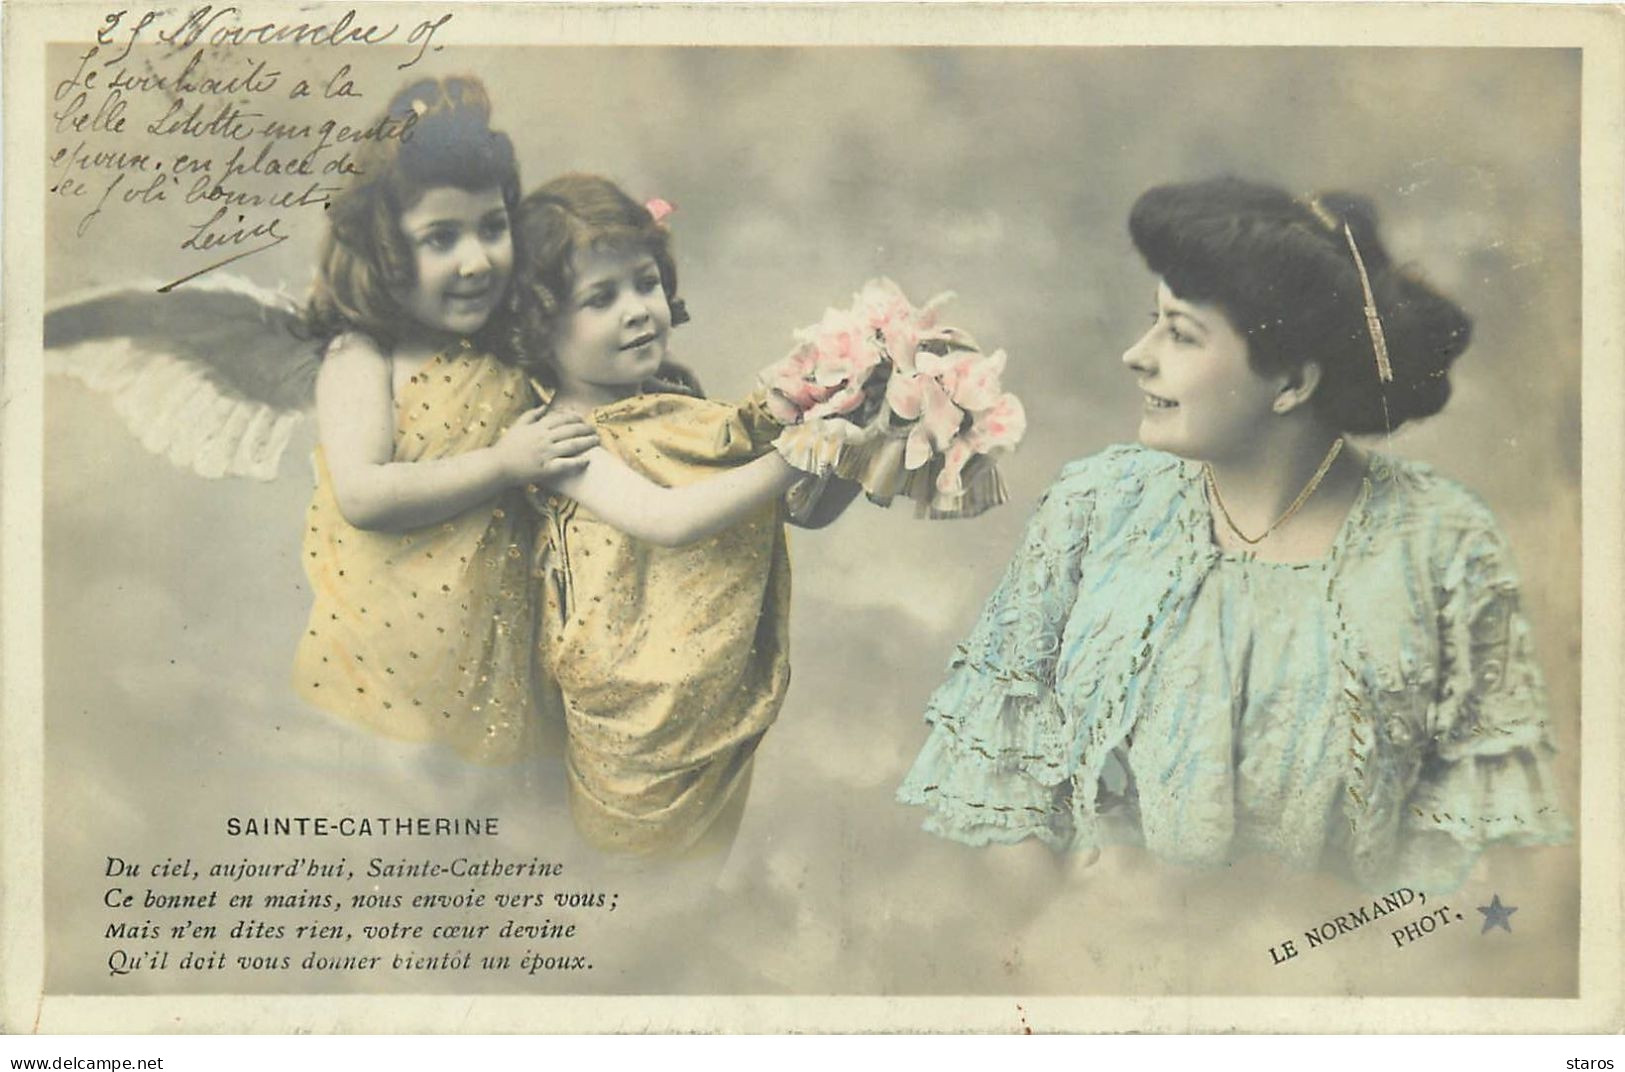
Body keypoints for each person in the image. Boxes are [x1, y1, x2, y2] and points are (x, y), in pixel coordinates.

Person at [897, 176, 1571, 892]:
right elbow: (998, 783)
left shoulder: (1440, 543)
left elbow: (1482, 852)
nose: (1137, 353)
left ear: (1290, 383)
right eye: (1152, 320)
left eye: (1181, 333)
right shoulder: (1095, 506)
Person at [510, 173, 860, 857]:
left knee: (694, 886)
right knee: (631, 883)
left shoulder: (683, 408)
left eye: (645, 283)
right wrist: (794, 455)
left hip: (712, 696)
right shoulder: (558, 436)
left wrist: (859, 445)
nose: (637, 310)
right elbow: (667, 518)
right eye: (600, 298)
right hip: (634, 714)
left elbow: (796, 511)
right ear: (540, 324)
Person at [293, 77, 600, 763]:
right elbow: (365, 494)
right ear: (384, 249)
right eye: (440, 238)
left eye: (492, 228)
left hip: (498, 655)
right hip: (388, 666)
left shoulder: (508, 349)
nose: (475, 260)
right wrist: (503, 464)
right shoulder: (362, 356)